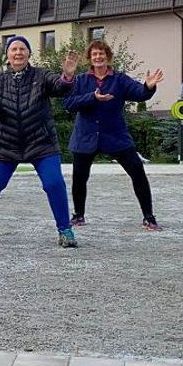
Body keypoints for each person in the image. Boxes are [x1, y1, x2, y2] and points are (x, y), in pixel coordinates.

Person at [0, 36, 80, 247]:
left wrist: (67, 75)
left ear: (29, 53)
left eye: (22, 49)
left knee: (54, 183)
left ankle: (65, 230)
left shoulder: (42, 74)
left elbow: (61, 88)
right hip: (5, 144)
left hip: (41, 142)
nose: (18, 53)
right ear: (7, 55)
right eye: (13, 49)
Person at [64, 40, 165, 231]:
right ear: (90, 59)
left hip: (115, 136)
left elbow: (139, 93)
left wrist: (148, 87)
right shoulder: (81, 80)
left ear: (108, 57)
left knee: (138, 172)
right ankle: (78, 215)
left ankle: (149, 218)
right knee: (79, 177)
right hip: (85, 136)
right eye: (94, 54)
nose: (98, 57)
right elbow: (68, 104)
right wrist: (92, 97)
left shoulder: (119, 79)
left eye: (101, 54)